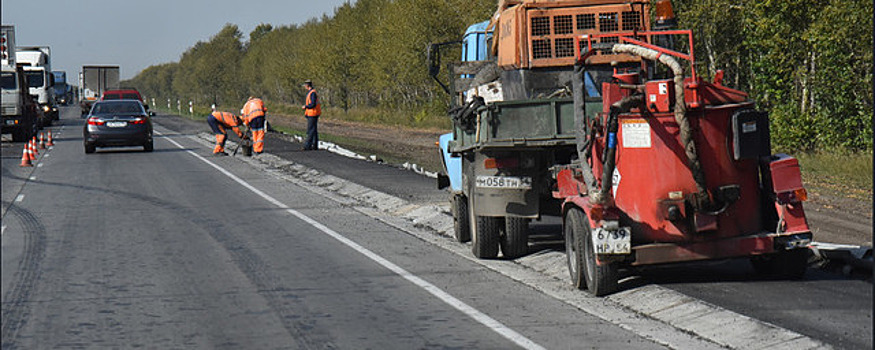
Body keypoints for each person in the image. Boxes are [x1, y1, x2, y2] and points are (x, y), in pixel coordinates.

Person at [301, 79, 321, 150]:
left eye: (305, 86)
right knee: (314, 130)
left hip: (313, 114)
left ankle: (307, 146)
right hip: (312, 113)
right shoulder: (311, 92)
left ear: (307, 85)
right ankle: (315, 145)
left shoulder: (312, 93)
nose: (305, 87)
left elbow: (312, 104)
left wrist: (306, 106)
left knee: (310, 130)